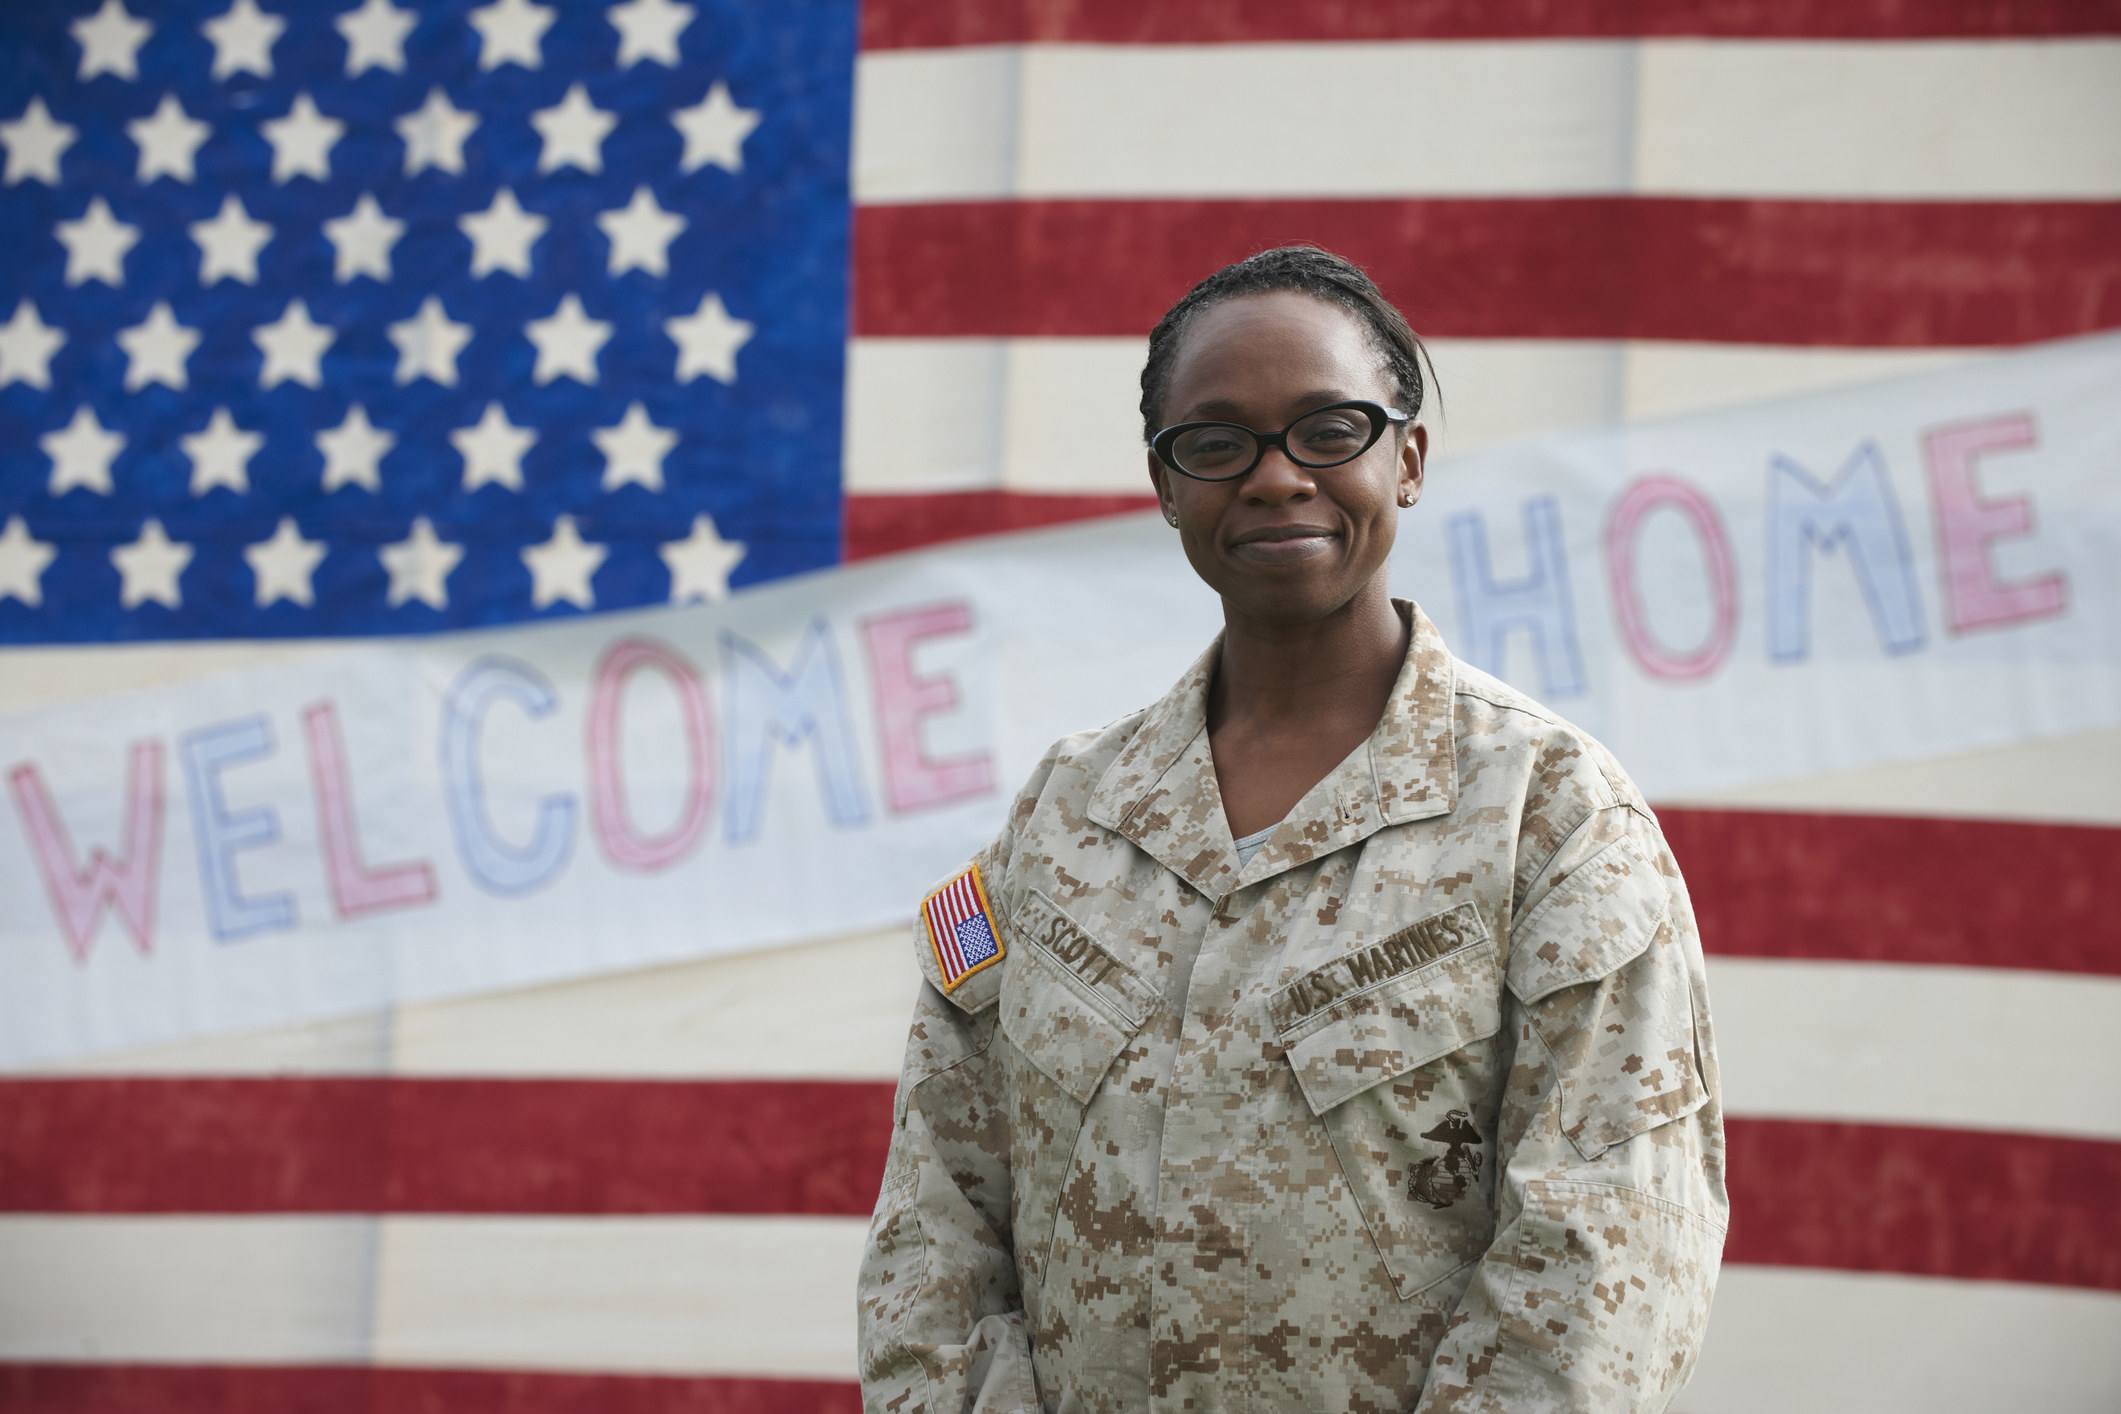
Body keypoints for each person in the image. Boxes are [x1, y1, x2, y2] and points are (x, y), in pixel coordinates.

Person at [856, 247, 1727, 1413]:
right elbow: (937, 1215)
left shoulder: (1551, 817)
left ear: (1406, 458)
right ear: (1167, 486)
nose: (1275, 478)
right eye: (1217, 443)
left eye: (1328, 430)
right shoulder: (1062, 819)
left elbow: (1609, 1255)